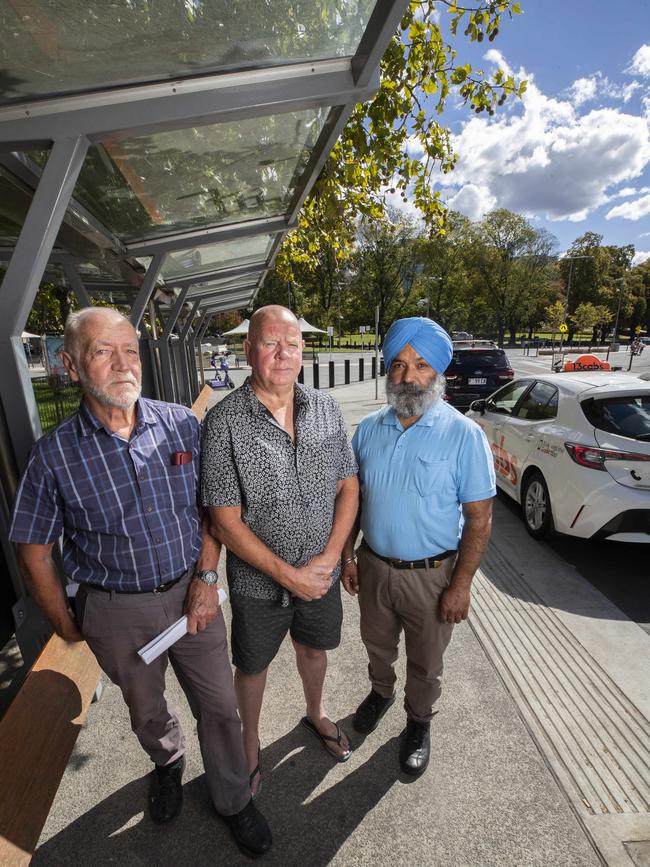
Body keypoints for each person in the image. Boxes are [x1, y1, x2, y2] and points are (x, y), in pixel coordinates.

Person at [9, 308, 271, 858]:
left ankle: (232, 799)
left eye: (130, 350)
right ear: (72, 365)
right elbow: (33, 550)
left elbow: (211, 510)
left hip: (191, 595)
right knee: (145, 708)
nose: (123, 364)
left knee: (220, 706)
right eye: (103, 352)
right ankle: (168, 762)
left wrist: (205, 576)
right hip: (116, 610)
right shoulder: (53, 455)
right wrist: (66, 621)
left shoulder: (180, 424)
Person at [201, 305, 359, 795]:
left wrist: (331, 559)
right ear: (248, 350)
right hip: (256, 583)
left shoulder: (326, 408)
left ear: (303, 350)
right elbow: (224, 521)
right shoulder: (224, 421)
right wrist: (289, 576)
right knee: (252, 666)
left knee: (314, 650)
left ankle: (316, 712)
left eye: (291, 344)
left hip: (321, 575)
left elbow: (348, 487)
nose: (282, 353)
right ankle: (250, 745)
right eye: (270, 343)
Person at [341, 316, 495, 778]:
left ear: (439, 372)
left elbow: (479, 517)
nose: (408, 377)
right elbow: (353, 499)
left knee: (426, 660)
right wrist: (349, 555)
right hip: (373, 567)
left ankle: (418, 722)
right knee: (376, 644)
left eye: (421, 364)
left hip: (432, 575)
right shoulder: (368, 429)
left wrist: (461, 584)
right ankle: (381, 692)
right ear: (387, 369)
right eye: (399, 364)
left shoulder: (464, 435)